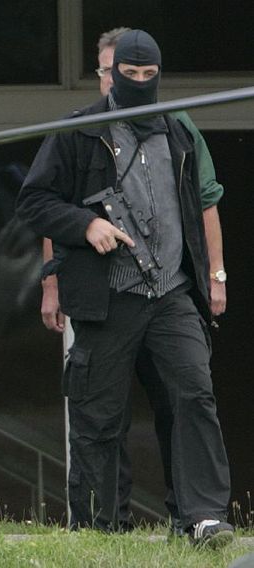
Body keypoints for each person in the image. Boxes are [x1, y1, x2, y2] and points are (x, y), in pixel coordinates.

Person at [16, 29, 233, 548]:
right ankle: (100, 527)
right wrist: (84, 225)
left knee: (193, 396)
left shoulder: (180, 132)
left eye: (147, 75)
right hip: (108, 296)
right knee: (99, 414)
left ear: (159, 74)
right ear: (110, 75)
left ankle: (202, 518)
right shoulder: (79, 130)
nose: (139, 83)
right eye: (129, 75)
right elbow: (34, 201)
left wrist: (215, 276)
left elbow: (204, 204)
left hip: (174, 292)